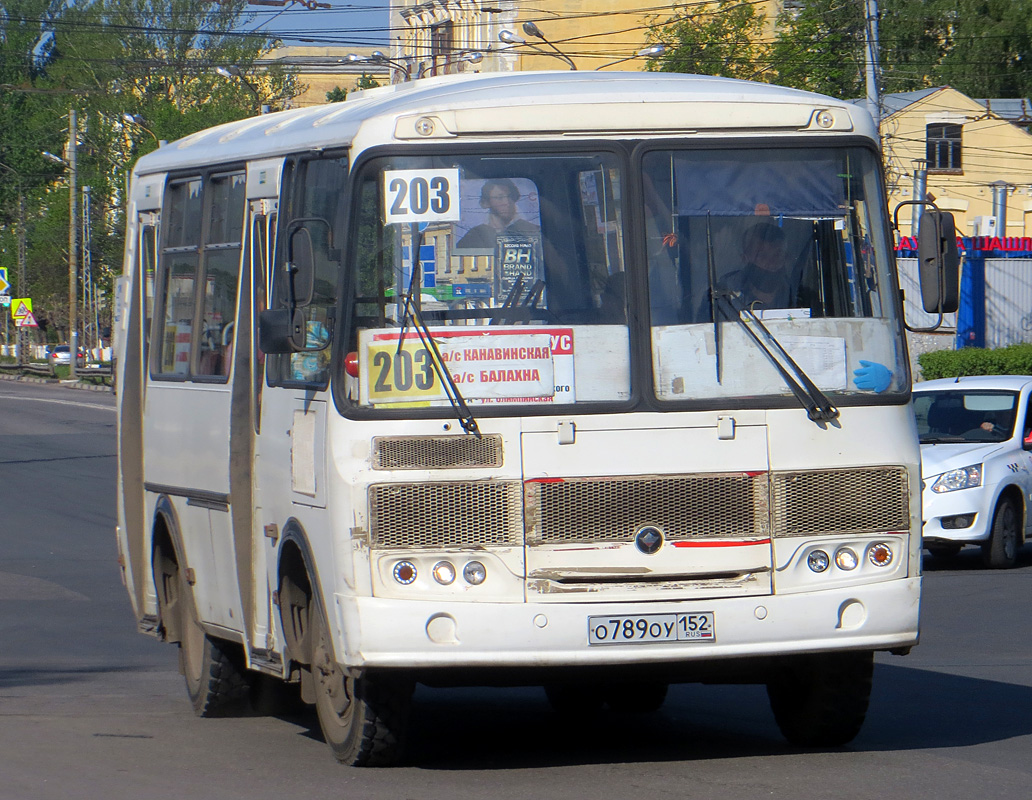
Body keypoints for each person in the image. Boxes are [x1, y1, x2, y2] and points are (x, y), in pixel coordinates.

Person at [720, 221, 800, 311]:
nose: (771, 263)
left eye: (777, 255)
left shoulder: (801, 296)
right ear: (745, 259)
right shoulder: (722, 298)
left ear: (786, 257)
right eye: (762, 256)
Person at [456, 178, 540, 249]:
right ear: (486, 203)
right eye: (500, 198)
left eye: (510, 197)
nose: (507, 202)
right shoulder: (474, 237)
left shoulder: (532, 231)